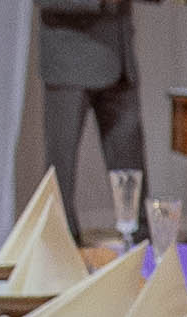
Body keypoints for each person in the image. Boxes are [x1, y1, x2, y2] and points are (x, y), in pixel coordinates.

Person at [37, 0, 145, 245]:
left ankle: (141, 249)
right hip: (68, 56)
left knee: (131, 169)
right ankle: (60, 248)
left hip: (119, 55)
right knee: (60, 169)